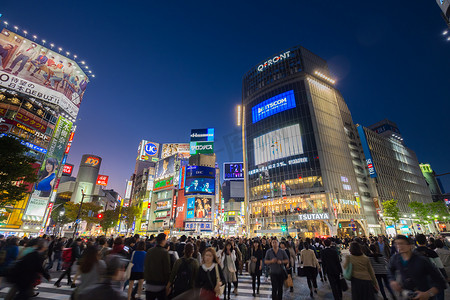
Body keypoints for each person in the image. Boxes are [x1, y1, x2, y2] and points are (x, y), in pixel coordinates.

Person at [389, 235, 447, 300]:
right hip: (407, 296)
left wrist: (428, 294)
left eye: (402, 243)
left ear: (409, 246)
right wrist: (392, 280)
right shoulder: (395, 259)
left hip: (424, 295)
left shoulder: (421, 260)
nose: (399, 246)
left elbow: (440, 282)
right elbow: (390, 270)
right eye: (396, 244)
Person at [413, 234, 448, 300]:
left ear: (417, 242)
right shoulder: (432, 252)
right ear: (426, 241)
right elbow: (440, 266)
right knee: (439, 293)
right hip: (433, 277)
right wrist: (445, 276)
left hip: (420, 279)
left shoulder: (413, 253)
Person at [144, 233, 171, 300]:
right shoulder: (164, 252)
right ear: (163, 240)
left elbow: (146, 265)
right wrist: (168, 283)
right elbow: (166, 269)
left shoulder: (149, 251)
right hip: (160, 284)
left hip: (149, 283)